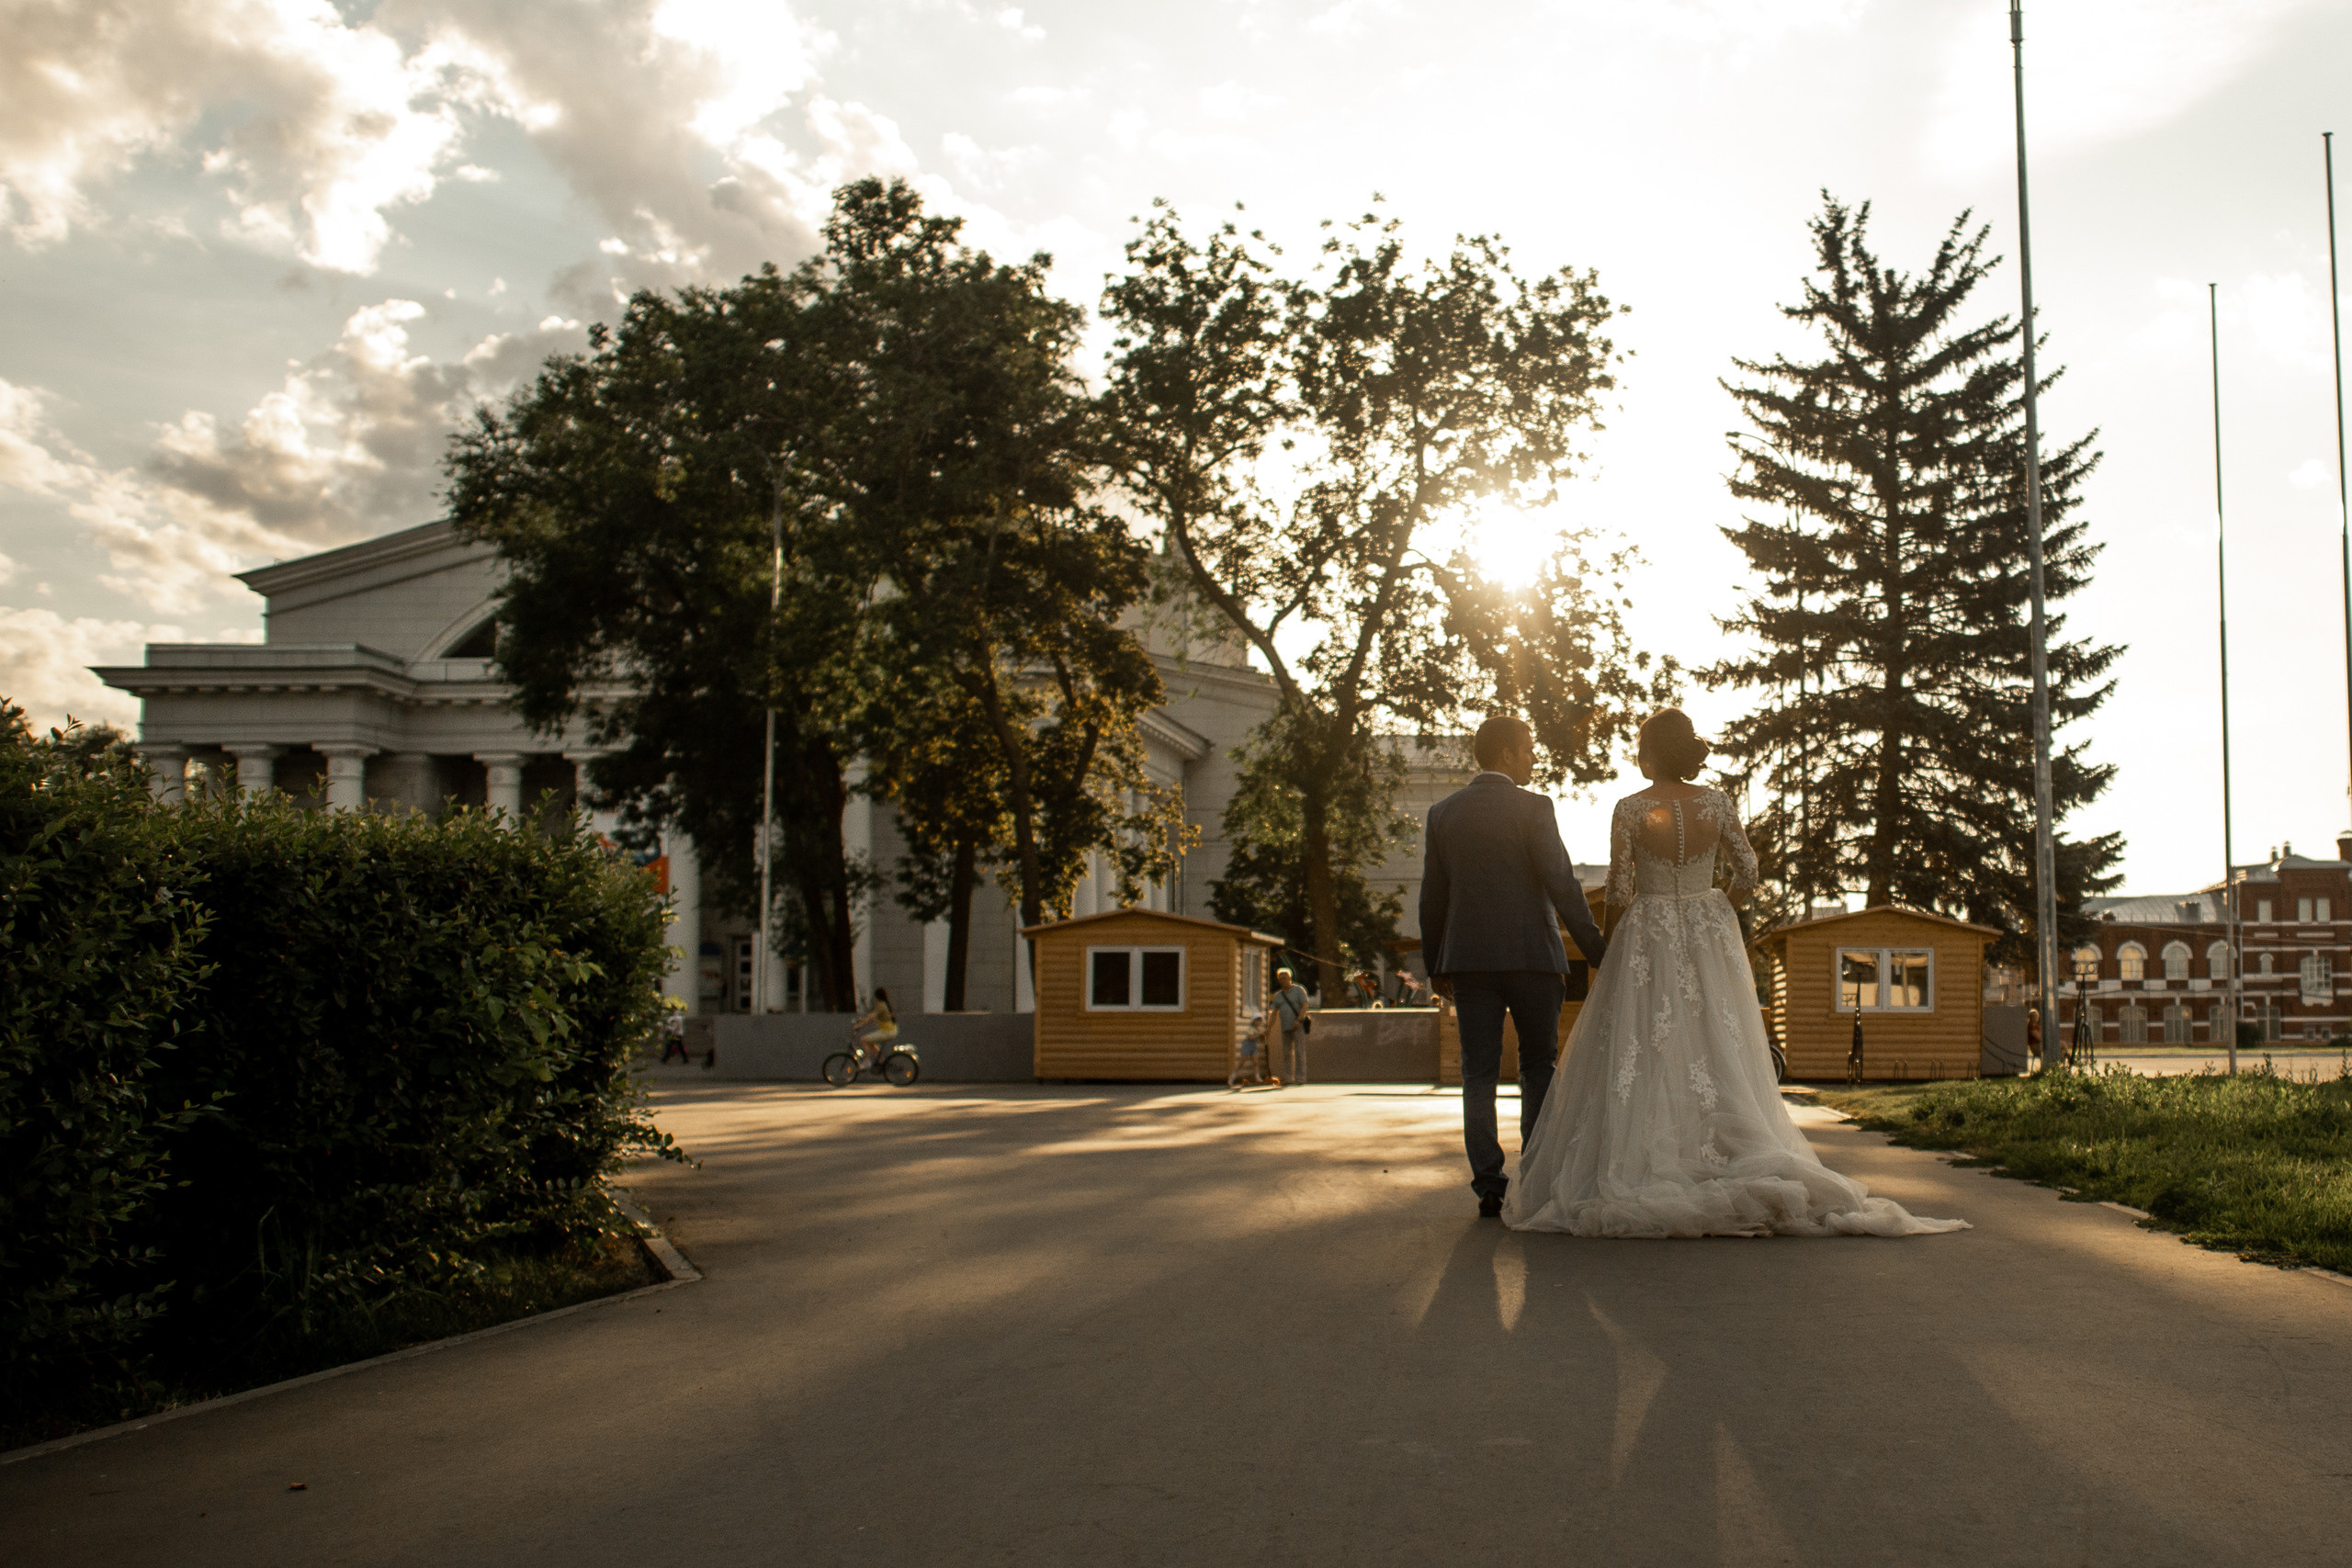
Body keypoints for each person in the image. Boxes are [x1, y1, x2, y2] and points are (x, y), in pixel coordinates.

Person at [1504, 708, 1969, 1238]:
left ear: (1650, 751)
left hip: (1650, 931)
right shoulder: (1717, 803)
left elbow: (1616, 889)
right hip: (1706, 932)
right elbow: (1748, 871)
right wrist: (1715, 909)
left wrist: (1611, 946)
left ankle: (1650, 1154)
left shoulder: (1630, 809)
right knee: (1715, 1040)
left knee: (1646, 1041)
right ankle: (1725, 1148)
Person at [1419, 714, 1611, 1217]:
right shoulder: (1534, 808)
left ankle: (1488, 1184)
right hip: (1533, 959)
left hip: (1469, 961)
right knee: (1537, 1064)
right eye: (1527, 749)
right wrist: (1598, 952)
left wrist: (1435, 963)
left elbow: (1433, 897)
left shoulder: (1443, 814)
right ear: (1505, 754)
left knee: (1478, 1073)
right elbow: (1562, 884)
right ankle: (1538, 1173)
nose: (1532, 757)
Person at [1269, 967, 1312, 1086]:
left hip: (1298, 1025)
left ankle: (1300, 1078)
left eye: (1285, 978)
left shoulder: (1299, 990)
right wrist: (1269, 1028)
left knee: (1299, 1052)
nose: (1283, 981)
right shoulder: (1278, 995)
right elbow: (1274, 1013)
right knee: (1287, 1053)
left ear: (1290, 978)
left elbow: (1304, 1006)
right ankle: (1288, 1078)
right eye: (1280, 979)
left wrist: (1299, 1020)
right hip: (1285, 1026)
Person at [854, 987, 899, 1064]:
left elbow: (871, 1018)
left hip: (887, 1032)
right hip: (889, 1031)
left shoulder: (881, 1005)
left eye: (874, 997)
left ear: (877, 997)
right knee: (870, 1042)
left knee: (863, 1040)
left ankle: (866, 1061)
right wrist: (861, 1020)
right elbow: (872, 1017)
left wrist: (858, 1026)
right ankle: (881, 1060)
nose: (874, 999)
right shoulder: (883, 1004)